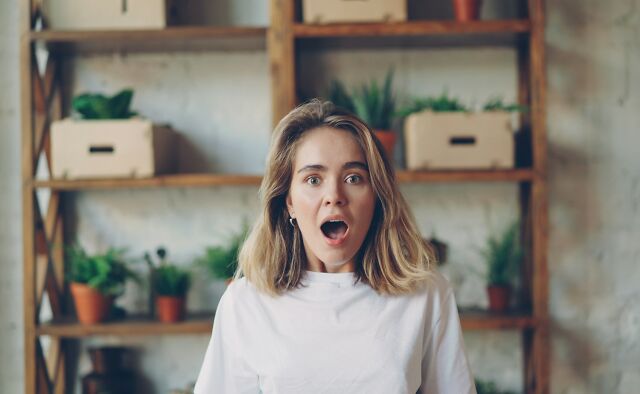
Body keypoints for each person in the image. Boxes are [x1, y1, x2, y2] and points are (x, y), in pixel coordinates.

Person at [194, 100, 476, 393]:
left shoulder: (427, 295)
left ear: (377, 196)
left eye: (353, 178)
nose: (334, 196)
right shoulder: (245, 304)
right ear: (289, 201)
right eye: (313, 179)